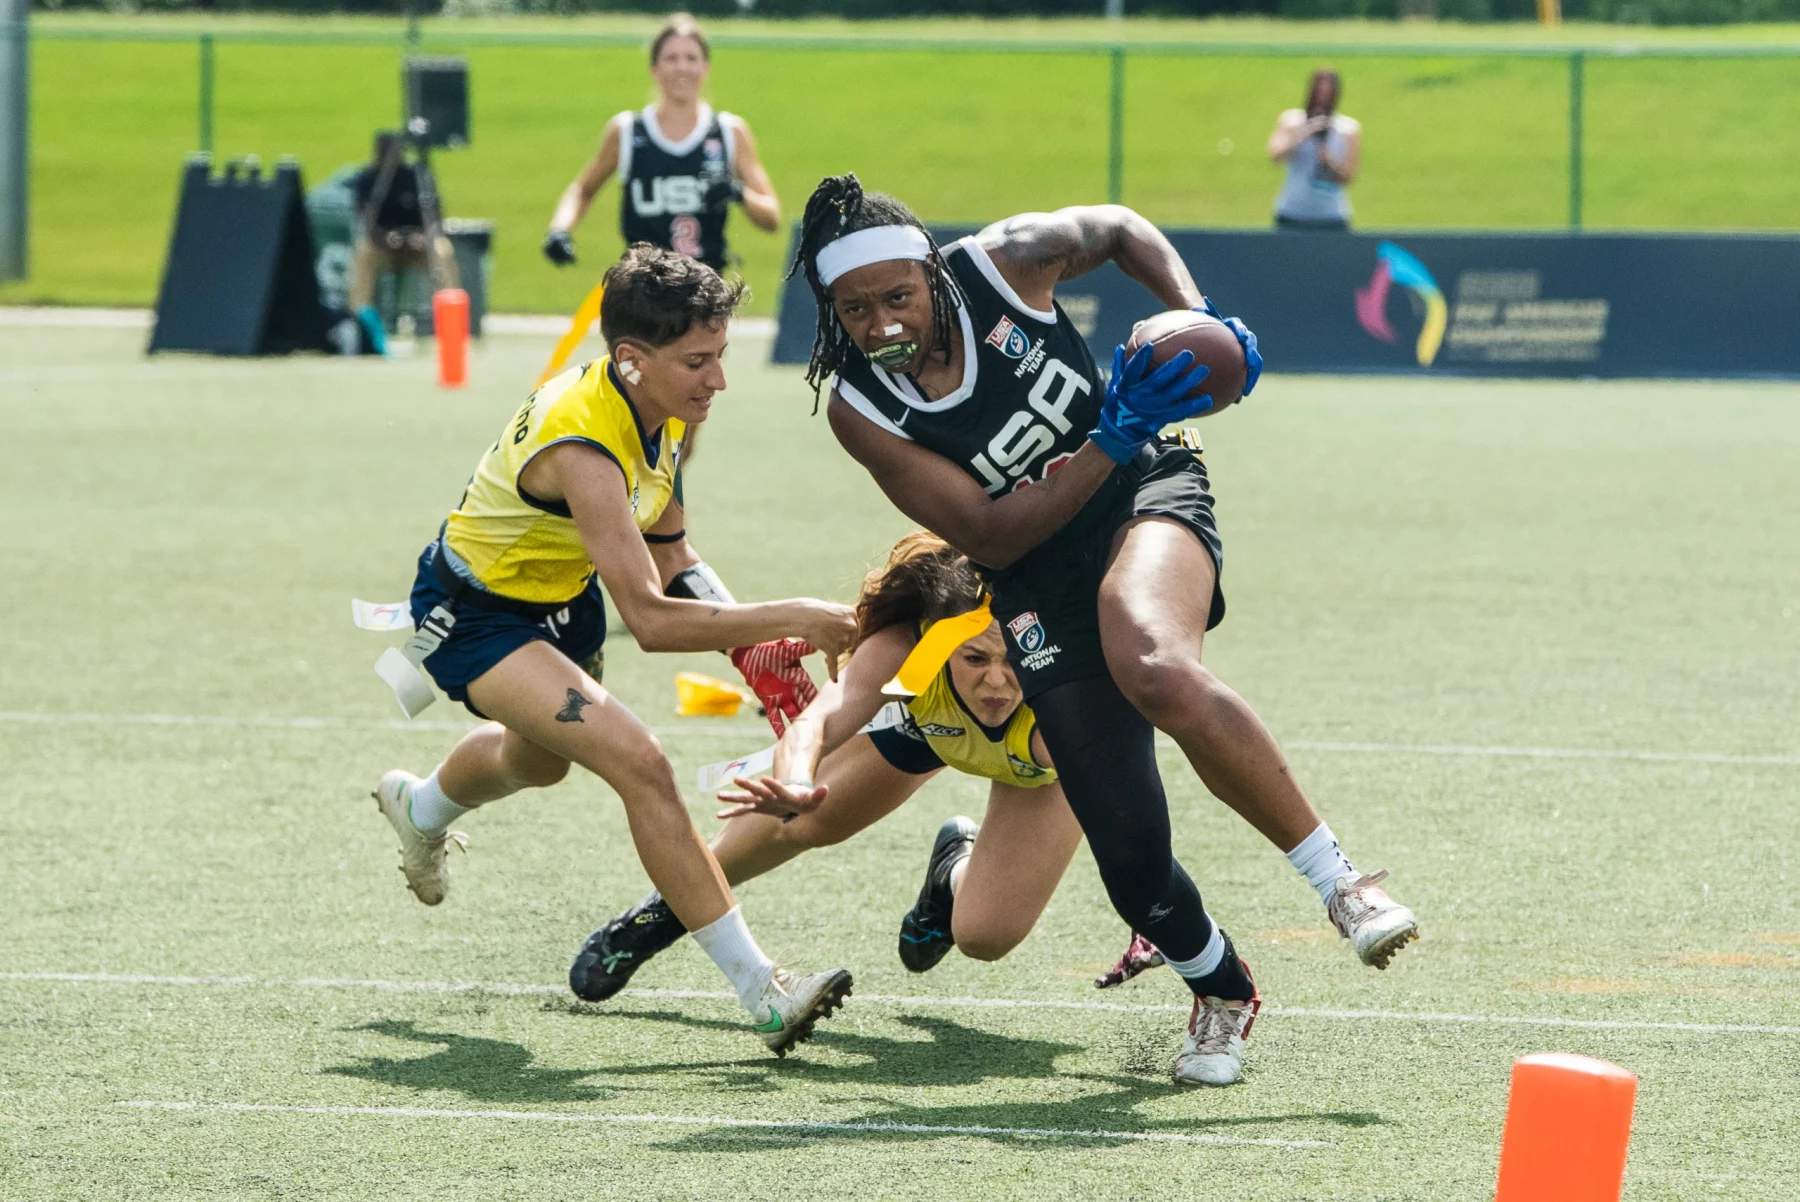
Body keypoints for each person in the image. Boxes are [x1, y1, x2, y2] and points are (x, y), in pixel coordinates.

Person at [783, 175, 1419, 1087]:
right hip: (1033, 568)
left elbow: (1120, 228)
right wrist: (1105, 433)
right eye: (855, 310)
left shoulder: (1002, 264)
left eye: (897, 297)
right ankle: (1224, 989)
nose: (882, 323)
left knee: (1150, 659)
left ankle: (1342, 884)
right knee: (1130, 856)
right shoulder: (861, 407)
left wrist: (1197, 318)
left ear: (931, 272)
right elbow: (995, 534)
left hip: (1143, 487)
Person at [369, 245, 856, 1057]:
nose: (718, 380)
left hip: (561, 605)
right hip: (473, 617)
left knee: (537, 763)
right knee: (642, 761)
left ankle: (419, 807)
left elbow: (674, 553)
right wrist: (797, 615)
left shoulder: (661, 414)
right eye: (697, 362)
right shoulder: (584, 447)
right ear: (632, 359)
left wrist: (756, 646)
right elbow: (653, 620)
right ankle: (764, 991)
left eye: (720, 356)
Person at [569, 532, 1087, 1003]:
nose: (996, 682)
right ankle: (664, 914)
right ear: (938, 640)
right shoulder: (909, 650)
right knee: (804, 819)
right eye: (975, 659)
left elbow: (1121, 803)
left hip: (1037, 767)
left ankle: (951, 872)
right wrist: (796, 781)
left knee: (984, 936)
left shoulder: (1069, 711)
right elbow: (816, 722)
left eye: (1014, 660)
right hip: (929, 724)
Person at [542, 13, 780, 273]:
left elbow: (771, 218)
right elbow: (583, 190)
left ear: (706, 67)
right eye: (671, 58)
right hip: (642, 286)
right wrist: (559, 229)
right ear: (654, 68)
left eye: (691, 58)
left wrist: (737, 193)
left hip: (706, 288)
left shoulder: (728, 131)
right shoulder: (627, 131)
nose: (682, 67)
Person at [349, 131, 459, 350]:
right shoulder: (368, 179)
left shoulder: (417, 177)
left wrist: (423, 237)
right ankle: (359, 321)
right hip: (384, 247)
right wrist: (386, 238)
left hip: (419, 247)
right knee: (363, 252)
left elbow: (437, 219)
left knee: (442, 250)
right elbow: (365, 222)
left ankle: (452, 319)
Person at [1268, 69, 1361, 231]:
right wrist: (1302, 136)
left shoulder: (1347, 129)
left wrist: (1328, 160)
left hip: (1332, 216)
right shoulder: (1292, 121)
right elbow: (1275, 156)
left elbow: (1348, 177)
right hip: (1292, 213)